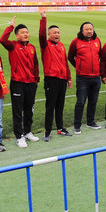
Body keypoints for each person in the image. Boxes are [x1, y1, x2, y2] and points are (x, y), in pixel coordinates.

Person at [0, 17, 40, 147]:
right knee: (18, 111)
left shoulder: (32, 47)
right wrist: (10, 27)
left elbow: (35, 64)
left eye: (27, 32)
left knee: (29, 109)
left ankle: (28, 132)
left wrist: (36, 78)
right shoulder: (12, 45)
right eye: (22, 32)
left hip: (31, 83)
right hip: (18, 83)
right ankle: (19, 136)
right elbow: (2, 40)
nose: (25, 34)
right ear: (17, 35)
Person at [39, 11, 72, 141]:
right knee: (50, 106)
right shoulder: (45, 44)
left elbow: (65, 62)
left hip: (62, 79)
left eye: (58, 32)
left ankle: (60, 128)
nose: (57, 34)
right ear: (49, 34)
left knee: (60, 106)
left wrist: (68, 78)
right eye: (54, 33)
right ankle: (47, 131)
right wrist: (43, 18)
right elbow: (41, 35)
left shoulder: (62, 45)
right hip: (51, 79)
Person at [68, 21, 103, 133]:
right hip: (83, 78)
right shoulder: (76, 42)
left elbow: (100, 56)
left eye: (91, 29)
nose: (89, 31)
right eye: (86, 29)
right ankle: (77, 125)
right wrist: (79, 67)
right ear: (82, 31)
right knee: (81, 102)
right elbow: (70, 57)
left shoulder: (97, 40)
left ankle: (90, 122)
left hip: (96, 77)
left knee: (93, 101)